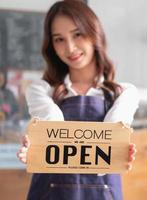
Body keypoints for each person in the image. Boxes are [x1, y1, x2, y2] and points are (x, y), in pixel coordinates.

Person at [17, 0, 139, 199]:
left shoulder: (124, 92)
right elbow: (52, 125)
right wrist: (36, 146)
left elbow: (111, 141)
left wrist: (115, 152)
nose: (70, 47)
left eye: (77, 34)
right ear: (52, 46)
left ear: (94, 33)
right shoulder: (41, 90)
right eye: (59, 39)